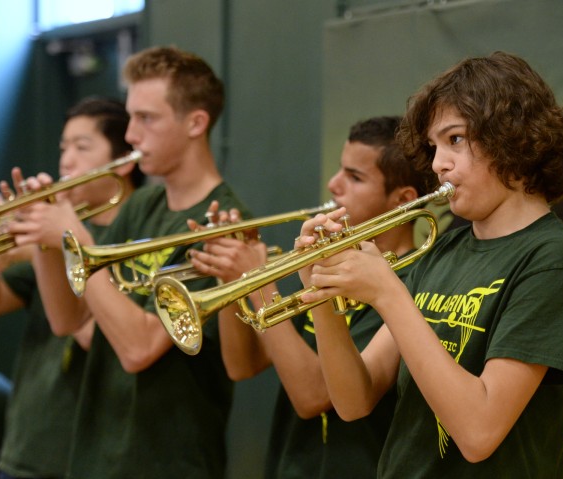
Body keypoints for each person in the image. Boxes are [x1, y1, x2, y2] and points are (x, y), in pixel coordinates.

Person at [296, 51, 563, 477]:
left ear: (511, 135)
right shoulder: (445, 248)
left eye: (455, 139)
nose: (438, 164)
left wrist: (388, 293)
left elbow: (478, 433)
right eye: (435, 146)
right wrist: (321, 296)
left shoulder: (552, 261)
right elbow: (354, 401)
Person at [5, 47, 249, 478]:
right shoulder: (143, 206)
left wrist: (75, 238)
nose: (132, 135)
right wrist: (47, 236)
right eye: (131, 117)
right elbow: (67, 318)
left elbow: (140, 349)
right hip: (97, 454)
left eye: (147, 119)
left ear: (196, 123)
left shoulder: (223, 223)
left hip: (166, 462)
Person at [187, 116, 438, 478]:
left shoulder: (414, 281)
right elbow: (243, 365)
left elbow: (314, 397)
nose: (334, 184)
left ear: (404, 200)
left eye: (355, 177)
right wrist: (233, 281)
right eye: (340, 170)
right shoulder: (334, 266)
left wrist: (259, 281)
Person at [0, 96, 142, 479]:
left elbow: (107, 339)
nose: (66, 161)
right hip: (26, 445)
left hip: (81, 454)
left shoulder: (136, 237)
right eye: (63, 147)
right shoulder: (52, 229)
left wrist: (46, 253)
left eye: (82, 147)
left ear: (123, 161)